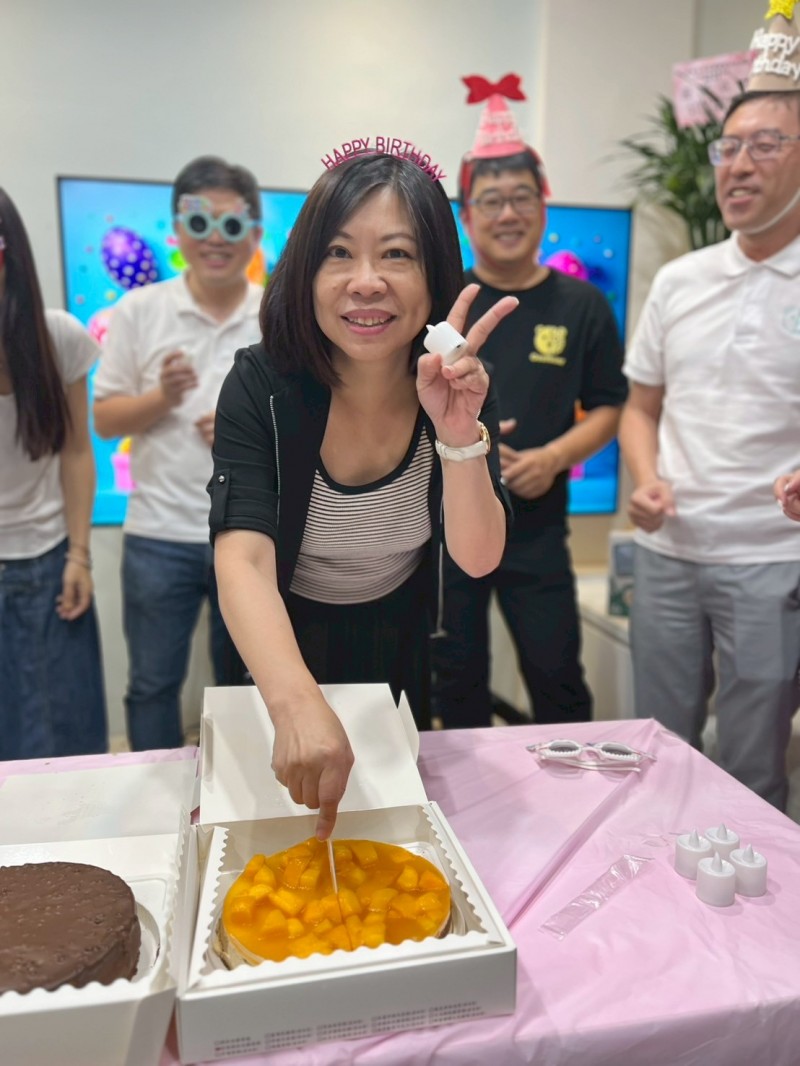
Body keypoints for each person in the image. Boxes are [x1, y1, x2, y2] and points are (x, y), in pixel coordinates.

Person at [208, 147, 517, 839]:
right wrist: (295, 705)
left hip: (394, 642)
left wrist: (458, 435)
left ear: (435, 274)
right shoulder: (262, 385)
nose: (366, 282)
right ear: (305, 271)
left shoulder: (459, 383)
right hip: (275, 641)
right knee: (271, 840)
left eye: (397, 255)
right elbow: (244, 559)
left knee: (384, 837)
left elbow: (477, 557)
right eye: (339, 254)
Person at [618, 4, 800, 810]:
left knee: (753, 771)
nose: (738, 166)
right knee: (657, 758)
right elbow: (639, 407)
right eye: (728, 148)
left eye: (766, 145)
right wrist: (646, 480)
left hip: (774, 561)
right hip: (669, 554)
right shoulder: (680, 280)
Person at [431, 76, 627, 729]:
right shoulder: (444, 299)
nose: (507, 214)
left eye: (521, 197)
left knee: (558, 679)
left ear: (544, 207)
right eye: (490, 201)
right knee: (453, 680)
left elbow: (610, 404)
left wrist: (553, 457)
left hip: (539, 528)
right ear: (467, 217)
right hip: (447, 526)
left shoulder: (583, 305)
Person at [93, 156, 264, 751]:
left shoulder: (277, 314)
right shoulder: (140, 311)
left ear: (254, 234)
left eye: (231, 225)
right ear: (177, 232)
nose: (216, 239)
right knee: (151, 687)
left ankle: (240, 793)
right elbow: (105, 420)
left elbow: (311, 428)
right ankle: (155, 797)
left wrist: (245, 433)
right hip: (157, 533)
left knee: (247, 684)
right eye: (199, 223)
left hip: (250, 532)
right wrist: (161, 398)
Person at [0, 187, 107, 759]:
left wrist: (80, 554)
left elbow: (75, 451)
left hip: (48, 562)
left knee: (68, 744)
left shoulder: (57, 338)